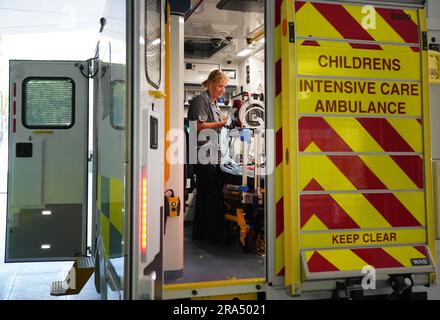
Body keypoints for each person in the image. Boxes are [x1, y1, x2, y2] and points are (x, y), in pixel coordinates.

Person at [187, 69, 229, 245]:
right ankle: (214, 235)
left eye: (224, 87)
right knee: (212, 194)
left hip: (212, 155)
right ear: (211, 83)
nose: (222, 90)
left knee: (206, 195)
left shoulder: (214, 104)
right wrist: (222, 122)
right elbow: (199, 126)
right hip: (202, 156)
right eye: (220, 85)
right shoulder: (200, 100)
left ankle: (202, 234)